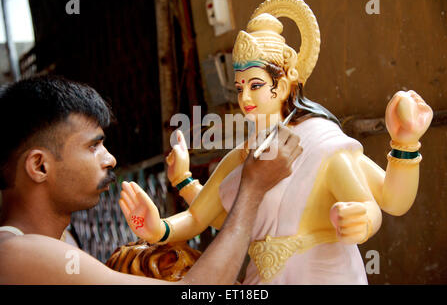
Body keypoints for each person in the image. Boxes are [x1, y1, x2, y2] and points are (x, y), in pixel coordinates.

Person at [121, 0, 433, 284]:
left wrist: (401, 151)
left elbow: (385, 203)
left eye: (255, 85)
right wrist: (157, 228)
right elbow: (198, 217)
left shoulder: (321, 144)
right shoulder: (243, 156)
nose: (244, 97)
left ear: (282, 85)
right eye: (239, 87)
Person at [0, 76, 302, 284]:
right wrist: (252, 188)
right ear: (39, 166)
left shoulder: (47, 246)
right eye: (93, 146)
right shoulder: (15, 254)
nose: (110, 159)